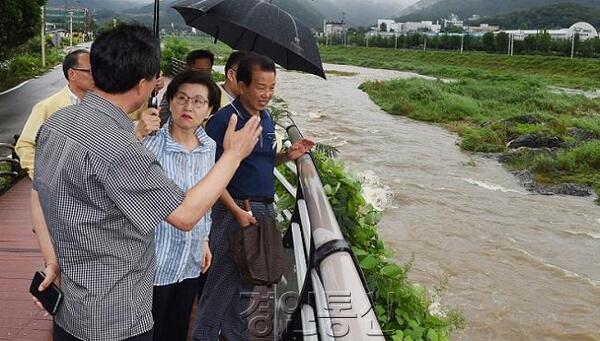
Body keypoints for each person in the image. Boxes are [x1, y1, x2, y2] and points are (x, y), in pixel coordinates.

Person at [30, 23, 262, 341]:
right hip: (114, 316)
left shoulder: (58, 122)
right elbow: (184, 214)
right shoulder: (120, 146)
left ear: (96, 71)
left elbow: (35, 194)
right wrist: (233, 155)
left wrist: (52, 260)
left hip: (70, 307)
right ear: (143, 85)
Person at [192, 53, 314, 341]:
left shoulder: (266, 117)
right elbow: (210, 175)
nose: (267, 94)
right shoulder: (226, 120)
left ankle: (234, 336)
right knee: (221, 281)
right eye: (261, 87)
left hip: (262, 210)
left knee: (250, 281)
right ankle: (203, 336)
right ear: (241, 85)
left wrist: (288, 155)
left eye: (271, 87)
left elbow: (262, 160)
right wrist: (236, 211)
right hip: (235, 209)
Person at [142, 70, 221, 341]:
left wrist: (205, 239)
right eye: (182, 98)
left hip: (189, 262)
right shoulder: (150, 144)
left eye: (198, 101)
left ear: (209, 110)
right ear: (169, 101)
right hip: (152, 264)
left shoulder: (209, 148)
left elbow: (206, 203)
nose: (188, 106)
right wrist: (136, 132)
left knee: (176, 331)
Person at [15, 49, 94, 178]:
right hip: (61, 188)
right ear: (72, 74)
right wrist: (40, 177)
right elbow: (25, 144)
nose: (96, 76)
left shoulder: (105, 104)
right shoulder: (47, 107)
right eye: (90, 71)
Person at [158, 49, 215, 125]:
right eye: (199, 70)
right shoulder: (177, 87)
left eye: (207, 70)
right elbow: (163, 116)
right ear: (188, 68)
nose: (204, 75)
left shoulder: (212, 90)